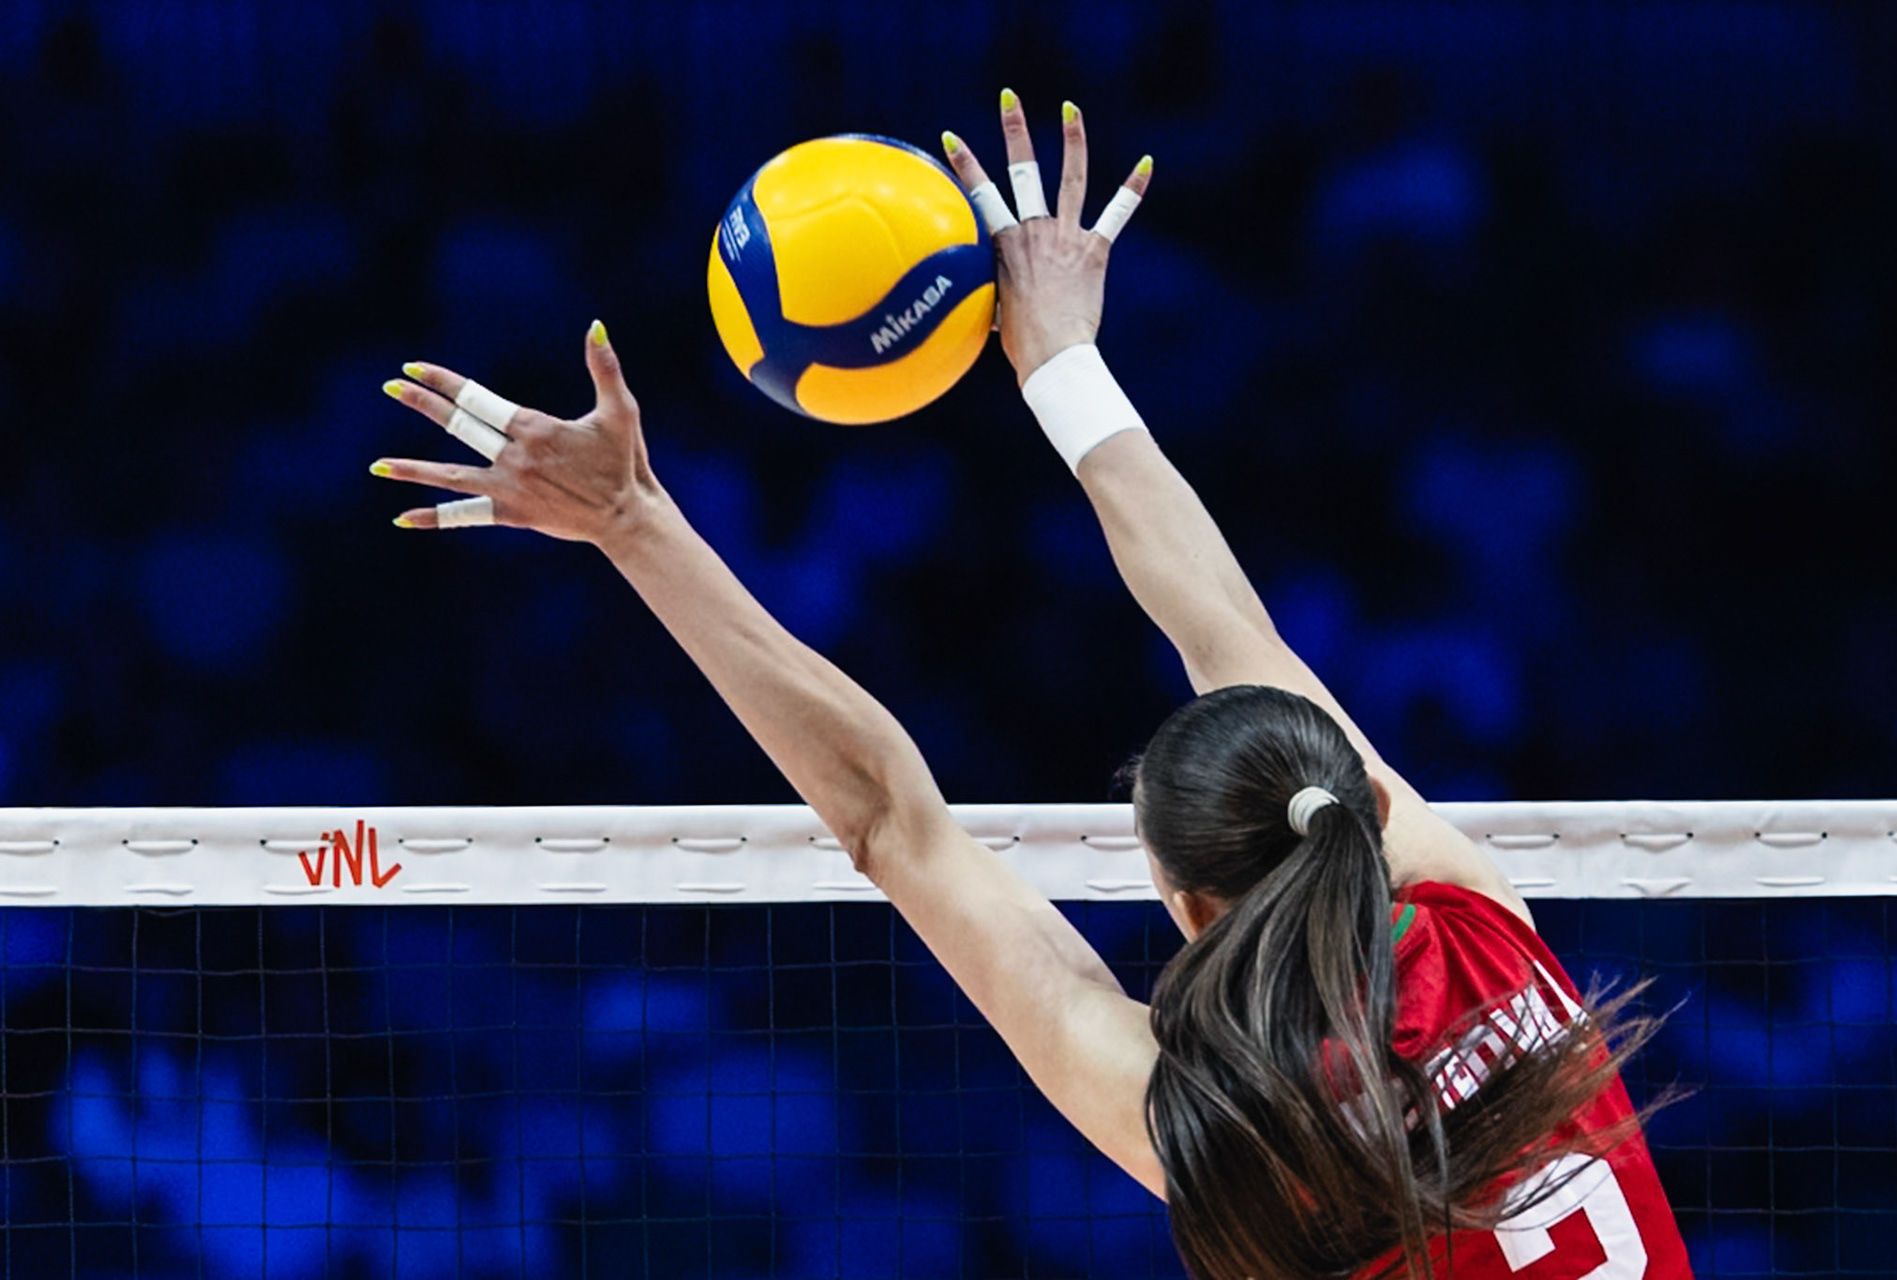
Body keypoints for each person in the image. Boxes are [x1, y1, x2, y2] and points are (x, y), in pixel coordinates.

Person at [372, 91, 1690, 1280]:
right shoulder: (1475, 929)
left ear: (1184, 902)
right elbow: (1233, 636)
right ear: (1344, 802)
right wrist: (1061, 358)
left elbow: (896, 817)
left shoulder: (1222, 1127)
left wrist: (637, 524)